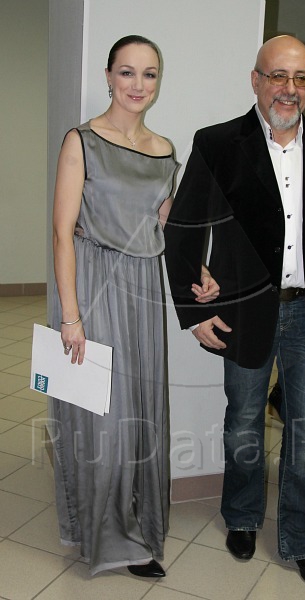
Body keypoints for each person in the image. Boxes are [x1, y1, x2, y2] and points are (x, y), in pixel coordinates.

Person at [164, 35, 305, 589]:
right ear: (255, 80)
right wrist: (193, 308)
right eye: (278, 75)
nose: (289, 88)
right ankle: (242, 515)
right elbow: (182, 228)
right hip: (244, 313)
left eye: (301, 78)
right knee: (243, 423)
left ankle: (301, 539)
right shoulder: (218, 143)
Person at [51, 35, 217, 578]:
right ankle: (103, 533)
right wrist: (70, 316)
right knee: (104, 420)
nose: (138, 85)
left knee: (139, 415)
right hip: (95, 289)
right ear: (108, 76)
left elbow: (168, 225)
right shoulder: (81, 141)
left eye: (149, 74)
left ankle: (135, 527)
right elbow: (61, 232)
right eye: (127, 72)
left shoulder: (164, 150)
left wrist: (198, 271)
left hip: (143, 291)